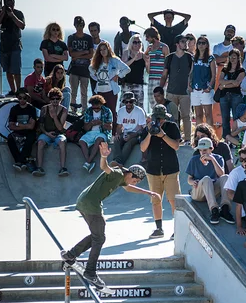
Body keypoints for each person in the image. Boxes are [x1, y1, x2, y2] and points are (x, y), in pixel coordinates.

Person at [61, 142, 160, 288]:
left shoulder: (122, 179)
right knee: (99, 238)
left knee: (97, 236)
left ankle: (71, 254)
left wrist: (148, 193)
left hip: (86, 202)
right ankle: (90, 271)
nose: (135, 183)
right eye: (136, 180)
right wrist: (103, 156)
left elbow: (128, 188)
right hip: (91, 204)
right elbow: (104, 167)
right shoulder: (117, 174)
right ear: (130, 174)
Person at [140, 104, 181, 239]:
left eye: (162, 119)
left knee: (173, 200)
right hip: (153, 170)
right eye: (158, 119)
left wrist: (163, 135)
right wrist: (150, 133)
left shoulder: (172, 127)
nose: (160, 121)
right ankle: (159, 228)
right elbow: (143, 148)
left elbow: (176, 146)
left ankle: (178, 229)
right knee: (156, 200)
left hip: (170, 169)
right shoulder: (148, 128)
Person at [186, 137, 234, 225]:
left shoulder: (218, 158)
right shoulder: (194, 160)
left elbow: (221, 175)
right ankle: (214, 210)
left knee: (226, 177)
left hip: (212, 191)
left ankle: (225, 208)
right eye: (200, 150)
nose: (203, 153)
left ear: (211, 149)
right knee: (206, 179)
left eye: (205, 150)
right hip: (199, 192)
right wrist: (193, 182)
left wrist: (212, 159)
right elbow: (189, 179)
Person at [89, 40, 130, 135]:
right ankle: (101, 131)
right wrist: (96, 77)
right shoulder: (97, 61)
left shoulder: (114, 60)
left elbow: (127, 69)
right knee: (100, 111)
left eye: (104, 49)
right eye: (101, 50)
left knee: (111, 111)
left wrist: (118, 76)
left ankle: (113, 133)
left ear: (108, 49)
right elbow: (90, 69)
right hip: (99, 90)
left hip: (111, 90)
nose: (103, 51)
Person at [160, 34, 193, 144]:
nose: (186, 43)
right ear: (177, 44)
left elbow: (192, 75)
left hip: (185, 92)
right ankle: (175, 138)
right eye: (183, 41)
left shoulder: (189, 57)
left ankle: (188, 139)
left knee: (186, 116)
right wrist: (160, 89)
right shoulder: (169, 58)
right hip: (171, 92)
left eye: (186, 42)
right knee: (173, 117)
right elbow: (164, 75)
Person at [33, 88, 68, 178]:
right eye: (53, 99)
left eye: (57, 99)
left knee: (62, 142)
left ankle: (63, 167)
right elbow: (40, 125)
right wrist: (46, 133)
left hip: (58, 133)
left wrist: (55, 116)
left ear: (60, 99)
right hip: (46, 133)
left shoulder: (64, 110)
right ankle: (39, 167)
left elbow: (60, 128)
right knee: (40, 142)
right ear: (50, 99)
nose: (55, 101)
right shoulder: (44, 109)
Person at [0, 0, 25, 96]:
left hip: (15, 45)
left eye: (11, 2)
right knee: (8, 70)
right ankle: (13, 90)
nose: (9, 4)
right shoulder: (1, 13)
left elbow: (22, 25)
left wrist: (12, 15)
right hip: (4, 46)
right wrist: (3, 12)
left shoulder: (18, 13)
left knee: (16, 70)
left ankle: (19, 90)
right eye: (7, 2)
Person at [215, 48, 245, 139]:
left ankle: (236, 138)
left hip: (236, 96)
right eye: (231, 57)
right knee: (225, 118)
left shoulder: (241, 70)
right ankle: (226, 138)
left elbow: (237, 83)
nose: (232, 59)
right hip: (224, 96)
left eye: (234, 57)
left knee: (236, 118)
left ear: (238, 58)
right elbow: (220, 80)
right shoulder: (225, 69)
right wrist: (231, 81)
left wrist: (225, 84)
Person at [79, 95, 112, 173]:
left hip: (102, 132)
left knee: (99, 140)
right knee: (81, 141)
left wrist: (101, 123)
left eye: (98, 108)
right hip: (90, 133)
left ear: (101, 104)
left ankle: (88, 162)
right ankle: (89, 162)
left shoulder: (107, 111)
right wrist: (91, 124)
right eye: (94, 108)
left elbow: (110, 127)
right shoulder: (88, 111)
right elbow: (86, 128)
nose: (96, 109)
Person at [111, 92, 146, 166]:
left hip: (136, 134)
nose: (128, 103)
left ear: (134, 102)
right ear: (124, 102)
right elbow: (119, 126)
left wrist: (131, 136)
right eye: (126, 102)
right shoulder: (121, 111)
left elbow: (141, 129)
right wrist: (117, 134)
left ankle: (120, 163)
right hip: (125, 133)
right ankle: (117, 161)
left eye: (131, 101)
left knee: (128, 144)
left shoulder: (139, 111)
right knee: (116, 140)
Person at [67, 16, 94, 112]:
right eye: (78, 25)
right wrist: (84, 52)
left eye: (81, 25)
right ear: (74, 25)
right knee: (73, 92)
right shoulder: (71, 37)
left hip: (85, 69)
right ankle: (73, 110)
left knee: (84, 92)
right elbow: (71, 54)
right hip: (74, 69)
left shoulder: (88, 38)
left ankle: (84, 111)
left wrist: (77, 56)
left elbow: (91, 54)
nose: (80, 27)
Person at [7, 87, 37, 172]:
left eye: (24, 98)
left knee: (30, 139)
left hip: (29, 133)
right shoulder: (14, 109)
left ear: (27, 98)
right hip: (18, 133)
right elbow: (11, 126)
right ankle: (22, 161)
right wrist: (25, 125)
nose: (22, 100)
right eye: (20, 98)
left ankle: (19, 162)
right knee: (10, 139)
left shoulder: (31, 109)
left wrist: (18, 124)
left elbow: (31, 126)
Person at [190, 35, 216, 126]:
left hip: (206, 89)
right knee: (198, 115)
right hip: (195, 89)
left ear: (207, 45)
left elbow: (214, 75)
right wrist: (189, 85)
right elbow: (191, 73)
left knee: (208, 114)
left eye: (203, 43)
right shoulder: (194, 58)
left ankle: (210, 135)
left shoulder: (210, 58)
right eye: (199, 43)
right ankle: (199, 134)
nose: (201, 45)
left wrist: (209, 87)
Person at [144, 27, 169, 111]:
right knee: (152, 101)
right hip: (151, 78)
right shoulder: (149, 48)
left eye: (147, 37)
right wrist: (146, 61)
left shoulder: (164, 47)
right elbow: (148, 69)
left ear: (152, 36)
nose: (146, 39)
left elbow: (168, 65)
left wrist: (166, 80)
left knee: (162, 100)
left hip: (161, 79)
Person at [121, 34, 148, 108]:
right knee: (125, 104)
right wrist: (133, 59)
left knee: (139, 105)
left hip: (138, 83)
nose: (137, 44)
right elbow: (123, 66)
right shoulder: (126, 53)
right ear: (131, 43)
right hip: (127, 83)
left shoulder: (143, 55)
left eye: (139, 42)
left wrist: (147, 62)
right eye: (135, 42)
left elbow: (148, 71)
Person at [88, 22, 102, 94]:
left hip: (104, 74)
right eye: (91, 31)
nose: (93, 33)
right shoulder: (88, 45)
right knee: (95, 96)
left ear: (99, 31)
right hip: (92, 75)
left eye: (95, 30)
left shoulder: (105, 43)